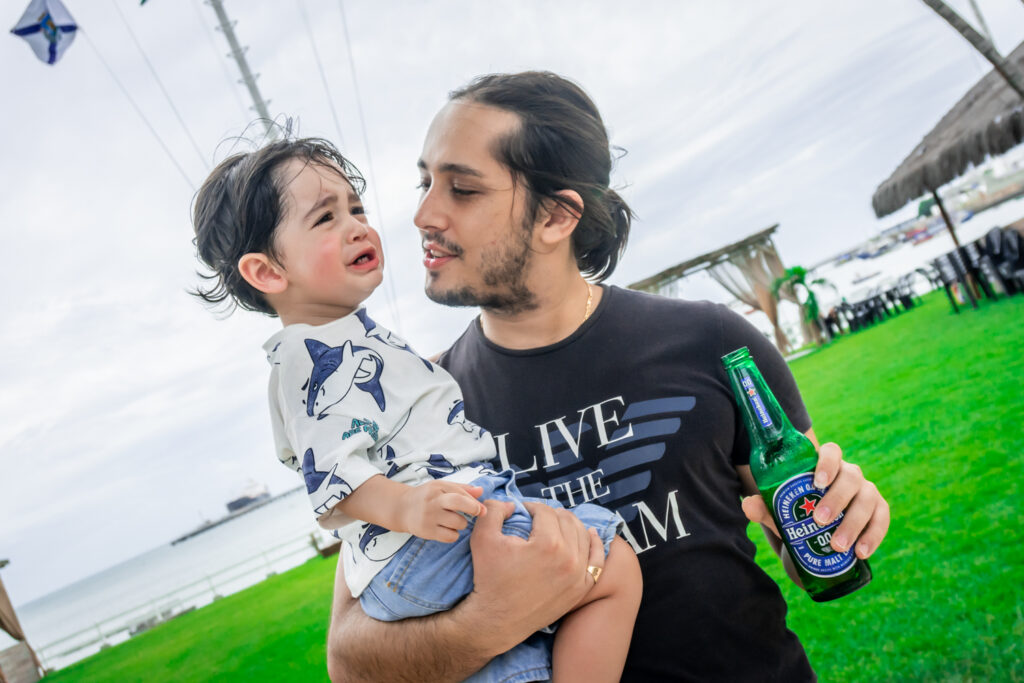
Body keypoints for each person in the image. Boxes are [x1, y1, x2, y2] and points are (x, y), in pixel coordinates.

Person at [326, 71, 891, 682]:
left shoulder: (712, 342)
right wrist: (490, 620)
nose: (423, 214)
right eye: (425, 182)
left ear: (556, 216)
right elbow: (350, 659)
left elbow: (795, 518)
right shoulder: (414, 406)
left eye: (462, 189)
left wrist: (842, 510)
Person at [190, 137, 642, 683]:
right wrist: (407, 509)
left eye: (355, 208)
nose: (358, 226)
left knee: (520, 660)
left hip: (430, 538)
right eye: (325, 219)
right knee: (609, 560)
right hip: (426, 540)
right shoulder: (310, 359)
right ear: (267, 273)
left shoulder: (346, 339)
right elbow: (332, 480)